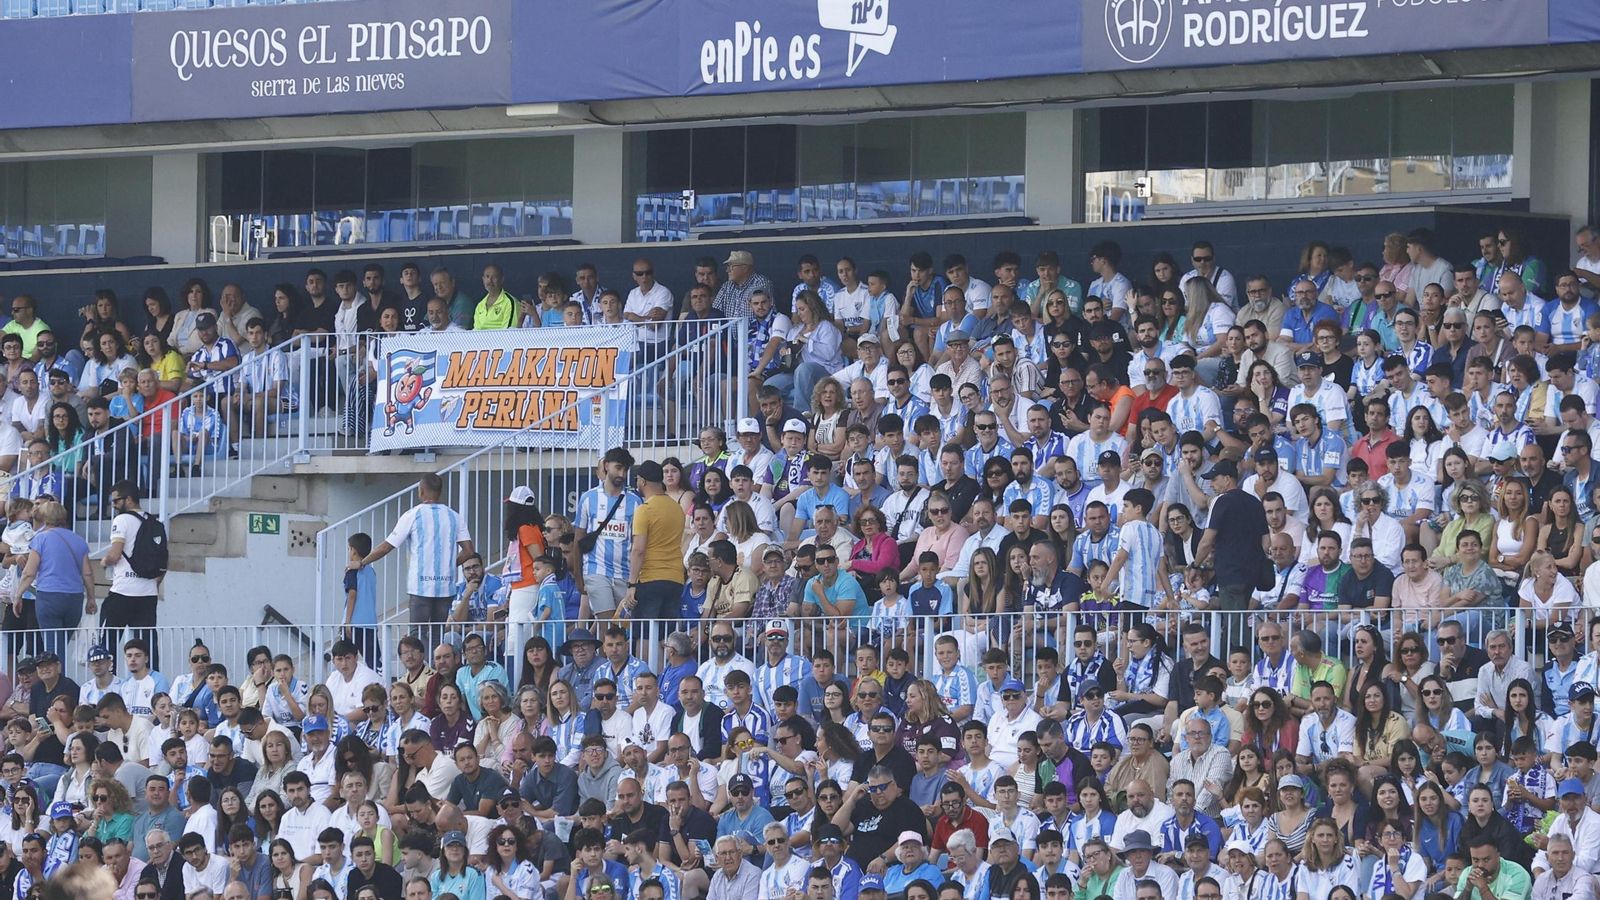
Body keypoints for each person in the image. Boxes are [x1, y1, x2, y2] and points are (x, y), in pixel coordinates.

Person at [349, 473, 474, 633]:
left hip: (420, 587)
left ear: (421, 491)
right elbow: (469, 550)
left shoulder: (412, 515)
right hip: (446, 586)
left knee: (416, 636)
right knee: (438, 635)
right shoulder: (454, 516)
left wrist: (362, 562)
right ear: (440, 492)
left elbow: (387, 546)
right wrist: (450, 564)